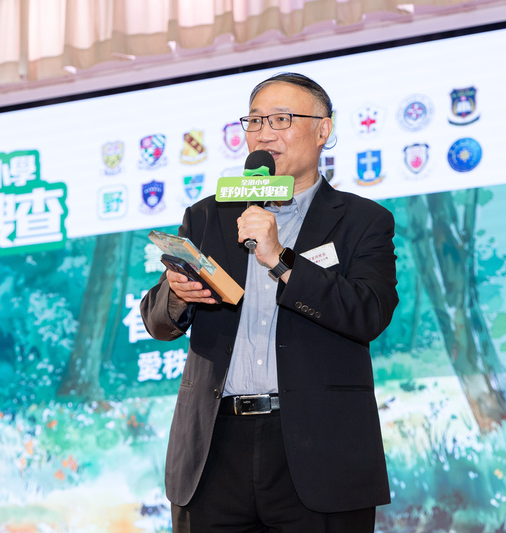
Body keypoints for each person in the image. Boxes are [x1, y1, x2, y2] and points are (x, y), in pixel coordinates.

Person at [140, 72, 399, 532]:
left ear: (323, 130)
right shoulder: (208, 215)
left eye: (281, 119)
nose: (263, 134)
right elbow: (158, 322)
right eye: (255, 121)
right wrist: (176, 296)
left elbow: (369, 312)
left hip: (319, 453)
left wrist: (282, 259)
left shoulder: (362, 220)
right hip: (213, 452)